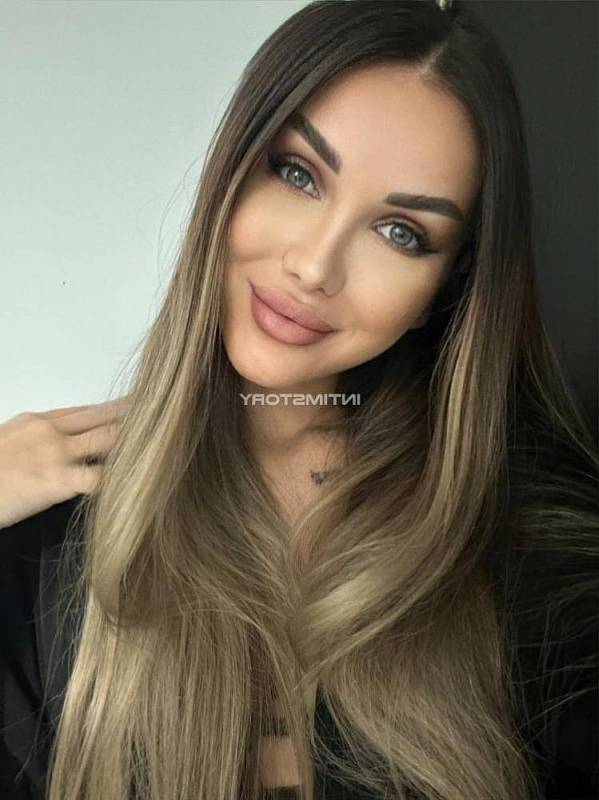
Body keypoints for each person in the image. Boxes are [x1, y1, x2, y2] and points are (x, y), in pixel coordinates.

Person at [1, 1, 597, 799]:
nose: (314, 266)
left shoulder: (533, 561)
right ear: (231, 174)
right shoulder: (51, 531)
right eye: (296, 174)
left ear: (443, 290)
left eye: (400, 232)